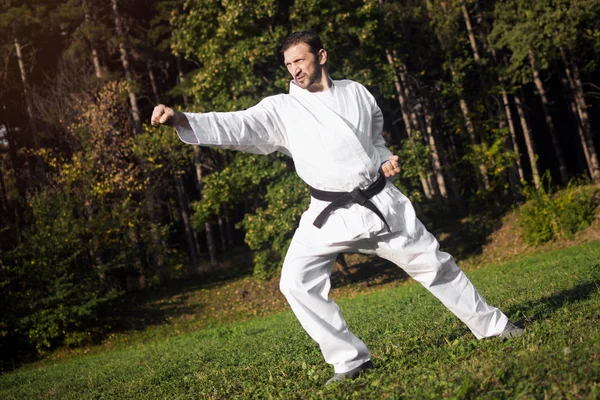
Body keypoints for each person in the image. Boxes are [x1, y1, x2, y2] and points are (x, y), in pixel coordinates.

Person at [151, 30, 523, 386]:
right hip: (327, 214)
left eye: (300, 60)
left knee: (436, 266)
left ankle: (494, 327)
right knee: (295, 282)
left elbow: (374, 139)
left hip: (379, 204)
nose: (294, 70)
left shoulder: (357, 93)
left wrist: (385, 159)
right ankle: (350, 359)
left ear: (322, 56)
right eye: (288, 64)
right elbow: (237, 125)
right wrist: (182, 119)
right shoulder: (282, 109)